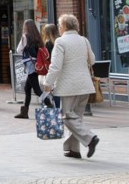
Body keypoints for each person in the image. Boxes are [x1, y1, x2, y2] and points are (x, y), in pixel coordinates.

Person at [43, 14, 99, 160]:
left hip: (69, 86)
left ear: (64, 26)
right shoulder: (84, 40)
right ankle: (73, 149)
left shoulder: (61, 42)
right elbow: (92, 60)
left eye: (60, 25)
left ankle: (90, 138)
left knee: (67, 116)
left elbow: (55, 66)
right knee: (77, 119)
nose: (59, 28)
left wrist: (48, 83)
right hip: (85, 85)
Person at [15, 19, 50, 118]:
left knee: (37, 90)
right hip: (37, 64)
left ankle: (50, 105)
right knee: (27, 88)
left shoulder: (25, 37)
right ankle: (24, 112)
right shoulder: (38, 37)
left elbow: (18, 50)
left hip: (30, 64)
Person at [41, 23, 61, 108]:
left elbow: (47, 57)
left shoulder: (47, 43)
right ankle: (58, 106)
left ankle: (56, 108)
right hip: (59, 67)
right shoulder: (59, 41)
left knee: (52, 89)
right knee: (57, 89)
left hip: (51, 68)